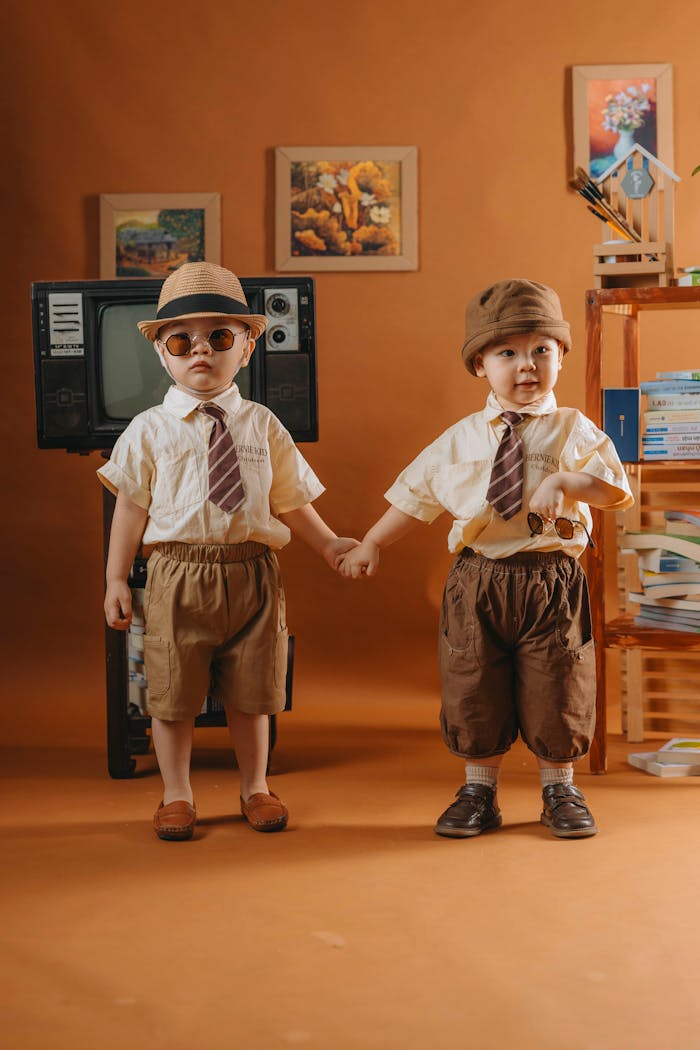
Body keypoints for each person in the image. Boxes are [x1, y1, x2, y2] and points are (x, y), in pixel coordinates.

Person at [340, 279, 633, 839]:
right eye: (508, 353)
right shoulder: (459, 441)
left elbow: (613, 488)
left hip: (551, 580)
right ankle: (479, 790)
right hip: (479, 581)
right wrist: (372, 542)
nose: (527, 366)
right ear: (480, 364)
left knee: (560, 682)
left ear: (561, 357)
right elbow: (415, 497)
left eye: (541, 350)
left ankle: (560, 789)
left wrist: (569, 479)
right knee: (473, 684)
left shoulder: (574, 430)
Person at [98, 262, 356, 841]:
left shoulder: (263, 424)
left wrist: (330, 544)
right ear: (161, 353)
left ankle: (255, 786)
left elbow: (290, 501)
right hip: (174, 576)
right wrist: (118, 578)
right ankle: (177, 793)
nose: (200, 352)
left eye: (219, 338)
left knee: (254, 691)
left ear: (245, 348)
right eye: (181, 340)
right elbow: (131, 508)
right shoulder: (148, 430)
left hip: (252, 574)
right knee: (172, 692)